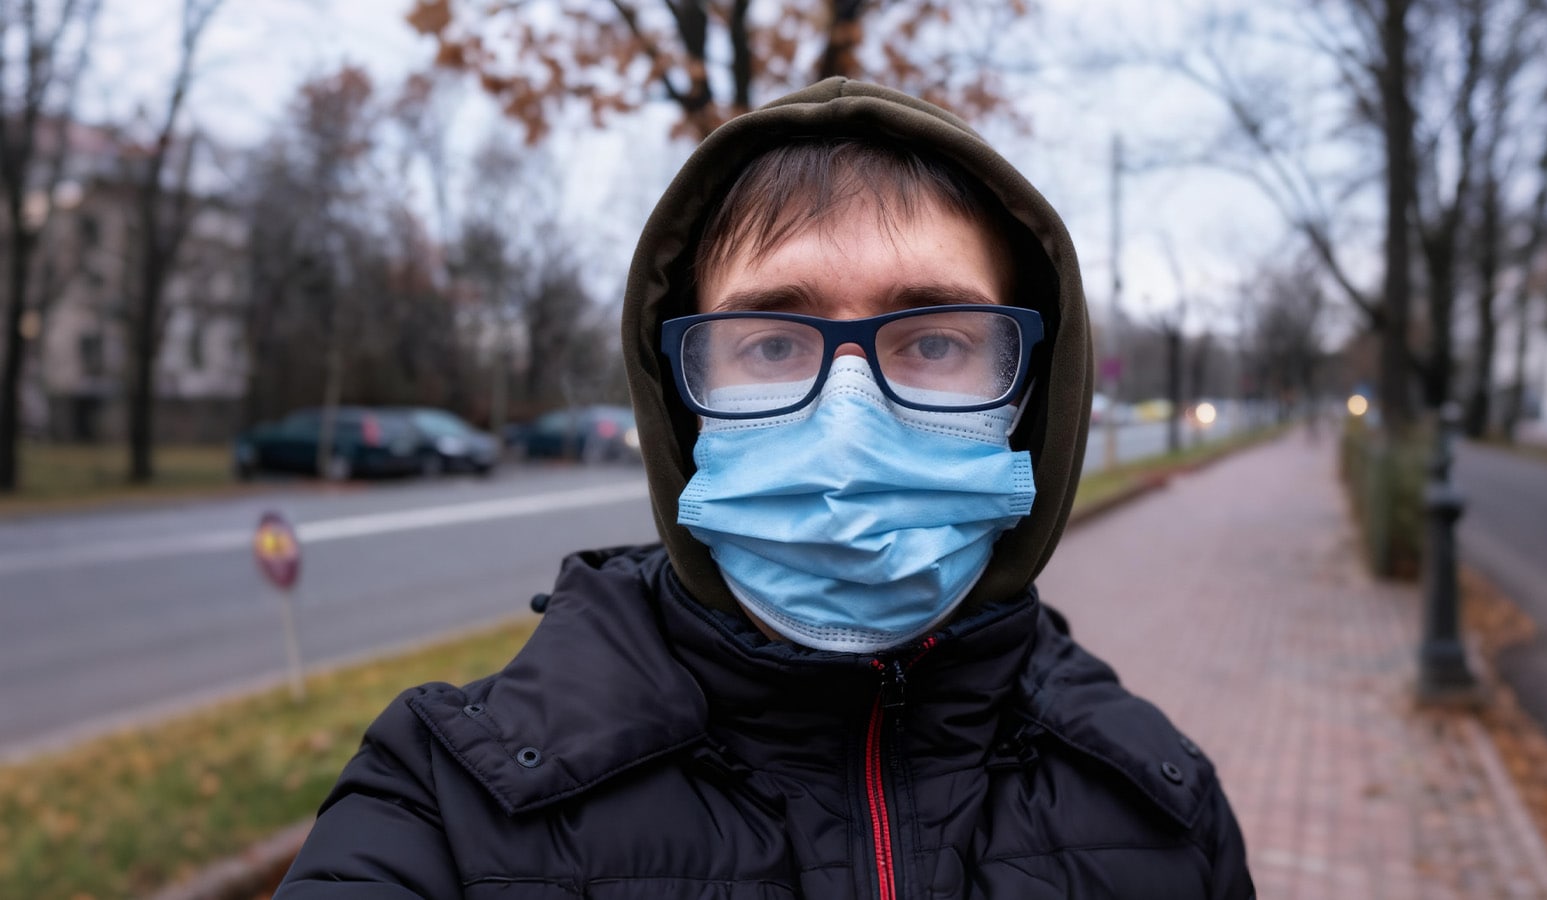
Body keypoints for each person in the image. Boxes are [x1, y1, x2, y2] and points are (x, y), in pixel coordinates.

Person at [276, 78, 1254, 899]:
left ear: (1030, 399)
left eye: (936, 340)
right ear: (683, 404)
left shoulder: (1162, 809)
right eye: (775, 344)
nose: (848, 417)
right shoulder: (446, 803)